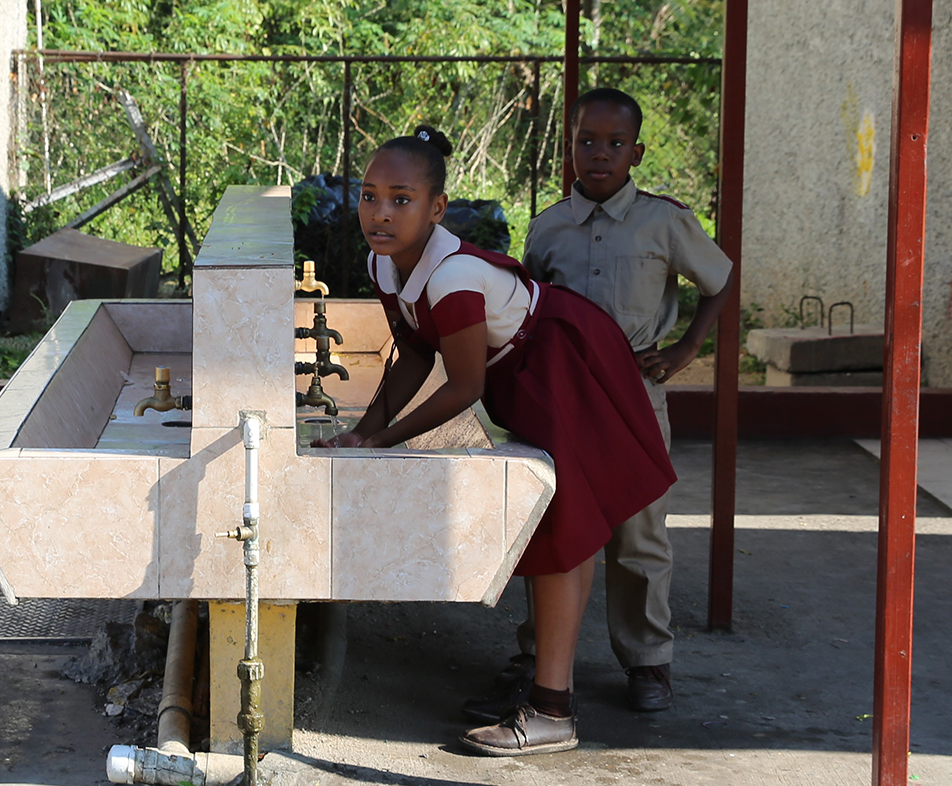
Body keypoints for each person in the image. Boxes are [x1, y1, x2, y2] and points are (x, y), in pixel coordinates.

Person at [314, 125, 676, 755]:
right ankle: (544, 684)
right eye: (370, 196)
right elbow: (413, 354)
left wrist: (386, 442)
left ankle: (551, 711)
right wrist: (361, 432)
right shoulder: (385, 260)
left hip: (563, 363)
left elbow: (462, 386)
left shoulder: (451, 277)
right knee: (561, 527)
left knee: (563, 531)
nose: (380, 213)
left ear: (437, 208)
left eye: (401, 199)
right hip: (527, 369)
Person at [517, 87, 733, 713]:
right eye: (587, 141)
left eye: (615, 144)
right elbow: (530, 306)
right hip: (564, 399)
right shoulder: (549, 226)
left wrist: (687, 348)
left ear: (637, 151)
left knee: (639, 532)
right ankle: (538, 655)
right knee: (557, 527)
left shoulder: (665, 221)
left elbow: (717, 280)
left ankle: (647, 661)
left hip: (637, 394)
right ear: (571, 148)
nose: (600, 154)